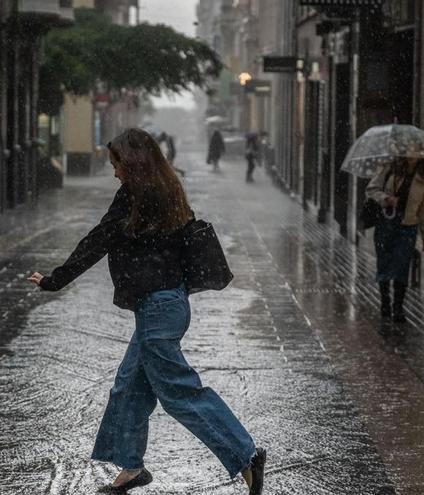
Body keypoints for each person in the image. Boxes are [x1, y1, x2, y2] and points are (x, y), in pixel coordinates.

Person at [27, 128, 266, 494]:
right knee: (129, 386)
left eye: (117, 164)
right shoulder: (168, 188)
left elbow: (98, 239)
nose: (114, 172)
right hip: (168, 303)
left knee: (179, 393)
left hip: (158, 308)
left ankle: (244, 454)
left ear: (132, 163)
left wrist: (55, 280)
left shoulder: (134, 196)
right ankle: (132, 467)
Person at [365, 150, 424, 323]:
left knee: (402, 265)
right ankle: (385, 301)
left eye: (416, 151)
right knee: (385, 262)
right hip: (386, 223)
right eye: (409, 150)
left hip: (408, 227)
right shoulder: (390, 168)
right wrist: (386, 198)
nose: (412, 154)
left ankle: (398, 306)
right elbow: (371, 189)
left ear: (422, 155)